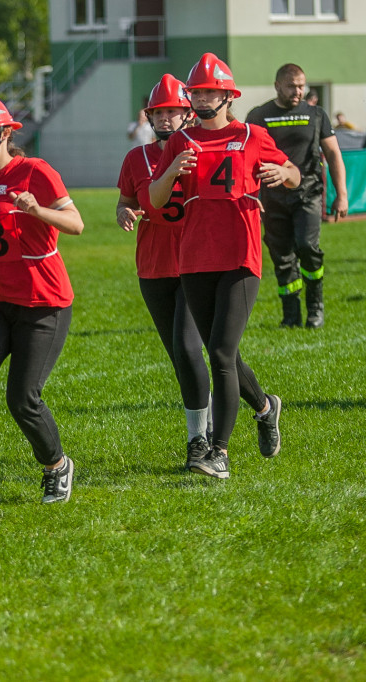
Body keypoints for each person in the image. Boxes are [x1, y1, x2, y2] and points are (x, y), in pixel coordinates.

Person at [149, 53, 299, 479]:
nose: (200, 98)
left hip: (240, 254)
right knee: (224, 353)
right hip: (194, 258)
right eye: (195, 91)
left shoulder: (251, 134)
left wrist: (280, 172)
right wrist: (173, 170)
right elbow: (156, 199)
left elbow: (293, 173)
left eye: (209, 91)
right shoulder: (180, 141)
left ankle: (219, 452)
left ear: (228, 95)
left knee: (218, 352)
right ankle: (266, 406)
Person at [0, 90, 84, 505]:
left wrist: (36, 211)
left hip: (44, 302)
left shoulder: (35, 171)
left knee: (22, 399)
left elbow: (76, 224)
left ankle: (56, 465)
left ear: (6, 132)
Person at [116, 74, 213, 469]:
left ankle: (200, 441)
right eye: (159, 112)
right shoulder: (135, 158)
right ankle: (261, 404)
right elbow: (125, 199)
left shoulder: (200, 151)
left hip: (196, 263)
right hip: (153, 266)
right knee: (181, 355)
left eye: (173, 111)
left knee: (194, 350)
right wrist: (124, 210)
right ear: (149, 116)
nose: (166, 119)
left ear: (187, 113)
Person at [246, 63, 349, 329]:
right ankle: (290, 315)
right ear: (277, 85)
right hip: (271, 198)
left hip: (308, 193)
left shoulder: (316, 114)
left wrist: (342, 195)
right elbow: (245, 159)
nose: (298, 91)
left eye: (302, 85)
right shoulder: (259, 115)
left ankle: (315, 308)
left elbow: (334, 155)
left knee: (307, 246)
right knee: (281, 256)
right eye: (292, 85)